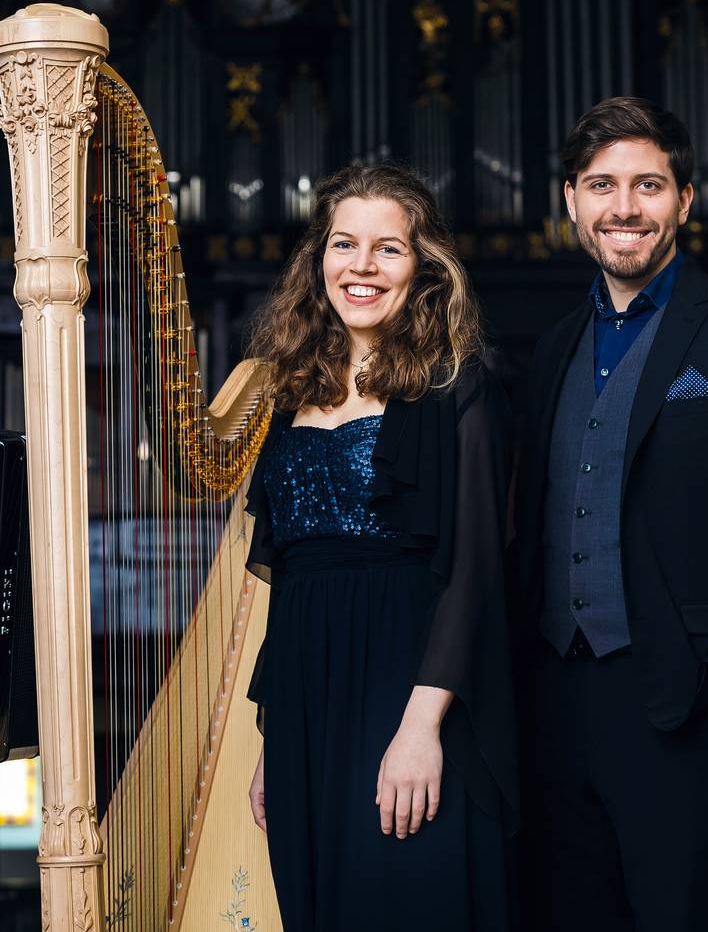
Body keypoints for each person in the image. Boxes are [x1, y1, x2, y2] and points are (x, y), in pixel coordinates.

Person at [244, 162, 518, 931]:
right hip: (306, 703)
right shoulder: (290, 390)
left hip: (411, 691)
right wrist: (273, 737)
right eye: (343, 244)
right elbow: (290, 577)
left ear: (423, 267)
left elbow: (475, 574)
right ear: (318, 260)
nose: (361, 267)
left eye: (387, 249)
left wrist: (420, 729)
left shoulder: (456, 388)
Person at [515, 97, 708, 931]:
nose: (625, 208)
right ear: (570, 200)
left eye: (649, 185)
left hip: (689, 709)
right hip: (558, 710)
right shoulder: (550, 347)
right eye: (602, 185)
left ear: (685, 199)